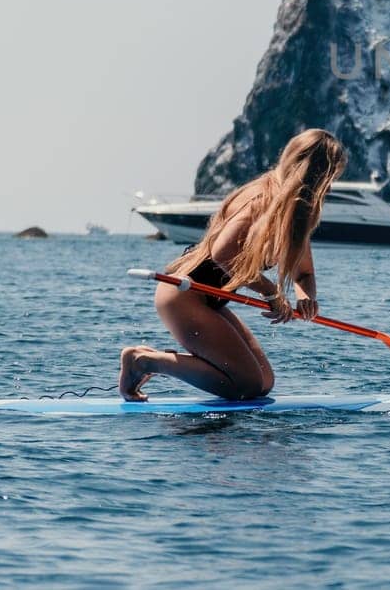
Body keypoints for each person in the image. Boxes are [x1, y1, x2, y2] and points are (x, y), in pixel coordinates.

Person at [118, 128, 347, 401]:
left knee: (263, 383)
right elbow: (222, 254)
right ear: (312, 175)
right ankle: (142, 362)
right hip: (184, 295)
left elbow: (304, 272)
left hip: (210, 298)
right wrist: (270, 292)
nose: (330, 187)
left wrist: (306, 298)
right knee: (246, 385)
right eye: (329, 178)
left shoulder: (294, 212)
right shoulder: (262, 199)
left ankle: (152, 359)